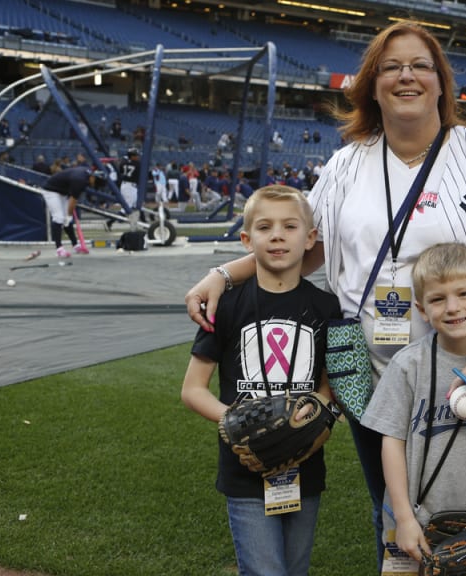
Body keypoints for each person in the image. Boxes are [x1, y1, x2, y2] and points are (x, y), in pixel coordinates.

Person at [183, 21, 466, 572]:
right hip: (370, 371)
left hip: (460, 368)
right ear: (372, 83)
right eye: (390, 67)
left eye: (419, 65)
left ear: (441, 82)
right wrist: (225, 274)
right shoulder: (346, 162)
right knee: (391, 511)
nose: (405, 76)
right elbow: (302, 247)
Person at [180, 185, 341, 576]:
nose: (278, 235)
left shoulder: (327, 306)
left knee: (295, 569)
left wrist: (310, 422)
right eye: (265, 227)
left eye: (290, 226)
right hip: (245, 467)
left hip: (304, 466)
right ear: (246, 239)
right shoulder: (227, 304)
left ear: (310, 238)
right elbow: (192, 389)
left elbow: (330, 384)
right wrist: (239, 426)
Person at [361, 243, 466, 574]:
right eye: (438, 299)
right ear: (422, 309)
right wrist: (404, 519)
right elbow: (391, 443)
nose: (453, 308)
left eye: (464, 294)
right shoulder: (408, 365)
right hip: (411, 525)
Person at [41, 166, 101, 257]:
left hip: (63, 192)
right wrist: (69, 215)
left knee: (66, 218)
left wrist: (68, 216)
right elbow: (73, 200)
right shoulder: (80, 180)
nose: (93, 185)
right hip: (51, 190)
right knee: (59, 217)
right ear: (93, 177)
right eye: (95, 183)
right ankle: (59, 248)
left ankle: (75, 245)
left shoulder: (87, 174)